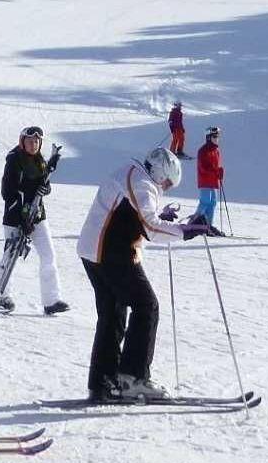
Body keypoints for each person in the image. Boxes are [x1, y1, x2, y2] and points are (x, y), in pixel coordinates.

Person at [77, 145, 193, 403]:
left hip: (95, 250)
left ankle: (102, 382)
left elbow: (134, 212)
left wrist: (162, 216)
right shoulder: (142, 183)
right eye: (167, 183)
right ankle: (133, 378)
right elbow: (151, 228)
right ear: (160, 173)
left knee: (112, 314)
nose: (166, 188)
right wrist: (184, 231)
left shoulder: (133, 172)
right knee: (146, 305)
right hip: (110, 252)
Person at [0, 126, 68, 314]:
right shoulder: (14, 160)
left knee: (48, 254)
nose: (33, 145)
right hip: (16, 217)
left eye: (36, 141)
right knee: (11, 255)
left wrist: (46, 189)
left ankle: (51, 300)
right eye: (30, 141)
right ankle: (2, 294)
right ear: (22, 142)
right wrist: (21, 219)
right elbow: (8, 192)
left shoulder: (39, 160)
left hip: (37, 215)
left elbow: (43, 183)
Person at [194, 127, 225, 233]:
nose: (217, 139)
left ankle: (208, 226)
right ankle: (194, 224)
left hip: (213, 181)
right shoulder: (203, 150)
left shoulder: (216, 151)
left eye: (218, 136)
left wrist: (219, 172)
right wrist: (216, 171)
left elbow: (215, 166)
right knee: (205, 202)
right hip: (205, 181)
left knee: (212, 203)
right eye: (214, 136)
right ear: (208, 137)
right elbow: (203, 167)